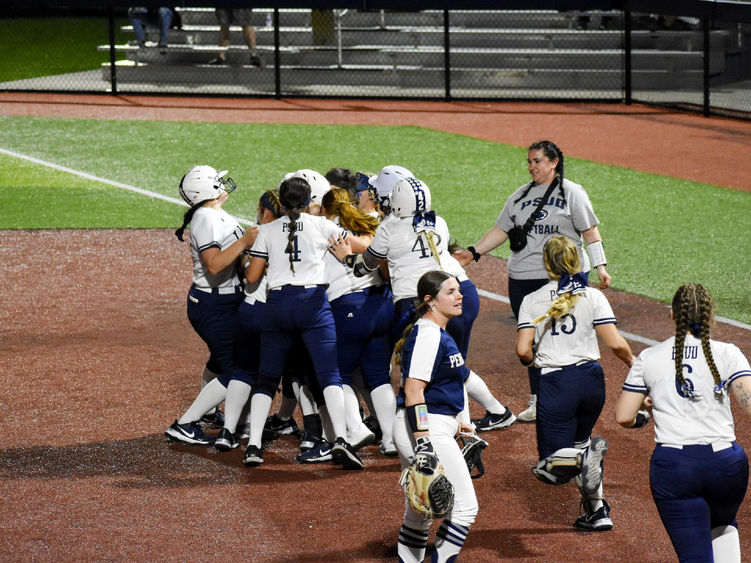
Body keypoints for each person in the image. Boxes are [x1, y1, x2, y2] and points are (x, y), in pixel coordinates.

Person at [455, 139, 612, 423]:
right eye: (529, 161)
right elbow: (501, 229)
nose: (531, 167)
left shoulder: (572, 193)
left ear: (554, 163)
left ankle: (572, 395)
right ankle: (539, 400)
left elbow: (590, 232)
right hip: (523, 276)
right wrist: (473, 253)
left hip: (565, 273)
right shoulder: (518, 196)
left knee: (568, 333)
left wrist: (601, 267)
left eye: (537, 161)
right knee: (531, 337)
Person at [345, 175, 516, 433]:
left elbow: (364, 267)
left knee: (411, 370)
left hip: (421, 303)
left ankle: (408, 432)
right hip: (457, 293)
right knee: (453, 364)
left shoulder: (390, 228)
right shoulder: (439, 222)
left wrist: (346, 257)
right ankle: (473, 424)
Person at [615, 283, 751, 562]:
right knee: (723, 526)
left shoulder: (649, 357)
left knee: (695, 556)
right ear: (710, 316)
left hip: (675, 468)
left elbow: (623, 417)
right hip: (727, 465)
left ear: (672, 315)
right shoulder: (728, 353)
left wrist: (650, 409)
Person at [242, 176, 363, 469]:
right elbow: (359, 246)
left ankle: (254, 446)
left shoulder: (267, 230)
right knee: (329, 374)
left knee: (267, 378)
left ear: (281, 203)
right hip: (314, 306)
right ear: (310, 202)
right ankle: (341, 441)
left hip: (279, 305)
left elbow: (252, 277)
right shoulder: (323, 225)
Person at [515, 235, 633, 531]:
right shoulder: (593, 296)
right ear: (577, 261)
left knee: (552, 465)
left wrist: (530, 361)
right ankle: (597, 511)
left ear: (546, 264)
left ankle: (585, 460)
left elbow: (522, 350)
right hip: (592, 382)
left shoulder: (532, 300)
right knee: (580, 444)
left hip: (557, 385)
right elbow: (616, 344)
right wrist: (634, 364)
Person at [165, 165, 257, 445]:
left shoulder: (214, 214)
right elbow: (215, 265)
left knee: (221, 359)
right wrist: (245, 242)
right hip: (213, 305)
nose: (222, 183)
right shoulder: (205, 218)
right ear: (205, 189)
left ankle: (209, 413)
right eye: (217, 180)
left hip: (225, 301)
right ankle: (185, 423)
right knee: (239, 370)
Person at [393, 270, 479, 562]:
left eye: (458, 290)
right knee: (465, 508)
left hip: (433, 425)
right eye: (451, 292)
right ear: (430, 301)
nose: (459, 296)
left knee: (420, 512)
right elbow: (413, 391)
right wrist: (424, 444)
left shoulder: (438, 332)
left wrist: (462, 423)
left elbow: (449, 383)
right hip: (425, 428)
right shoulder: (429, 335)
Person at [322, 188, 398, 457]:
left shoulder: (324, 227)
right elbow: (371, 247)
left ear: (323, 209)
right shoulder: (367, 222)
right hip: (381, 305)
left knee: (337, 374)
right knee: (378, 376)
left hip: (348, 308)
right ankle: (390, 439)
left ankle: (356, 428)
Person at [213, 189, 284, 452]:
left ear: (266, 212)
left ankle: (227, 431)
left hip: (252, 311)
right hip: (279, 314)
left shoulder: (258, 233)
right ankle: (254, 443)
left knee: (243, 371)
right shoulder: (298, 232)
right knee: (267, 379)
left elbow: (249, 275)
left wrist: (245, 260)